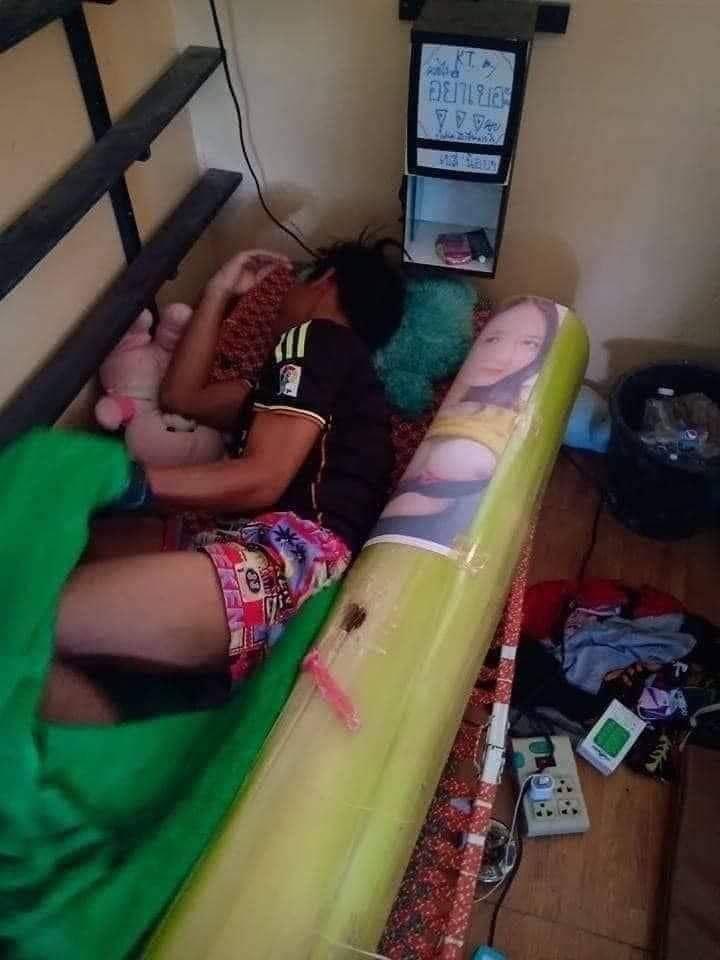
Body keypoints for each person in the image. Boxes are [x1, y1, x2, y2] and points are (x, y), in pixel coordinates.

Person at [44, 237, 405, 725]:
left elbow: (262, 479)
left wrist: (122, 482)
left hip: (292, 559)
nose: (281, 301)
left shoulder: (317, 339)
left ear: (325, 281)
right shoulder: (315, 382)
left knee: (28, 613)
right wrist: (218, 292)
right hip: (265, 554)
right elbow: (182, 397)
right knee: (66, 553)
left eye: (294, 284)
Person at [371, 297, 559, 548]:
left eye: (529, 343)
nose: (503, 356)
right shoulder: (461, 399)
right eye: (493, 339)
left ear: (541, 353)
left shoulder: (515, 414)